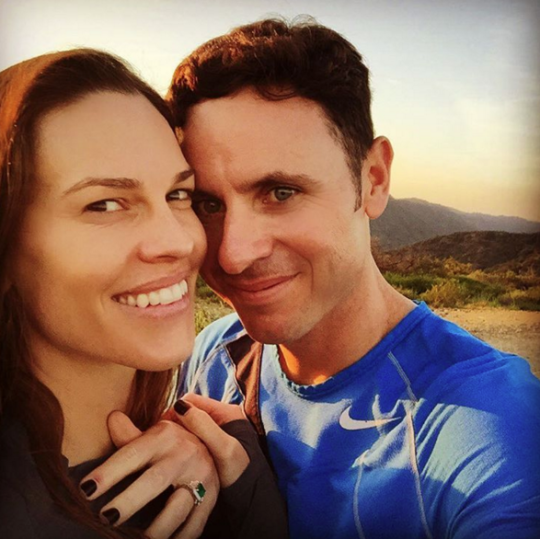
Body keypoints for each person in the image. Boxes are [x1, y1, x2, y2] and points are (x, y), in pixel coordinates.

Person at [162, 18, 539, 539]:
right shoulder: (213, 357)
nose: (233, 254)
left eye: (281, 192)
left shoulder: (489, 424)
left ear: (373, 179)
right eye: (207, 204)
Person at [0, 48, 287, 539]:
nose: (179, 242)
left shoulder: (220, 460)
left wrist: (242, 488)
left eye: (179, 195)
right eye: (105, 204)